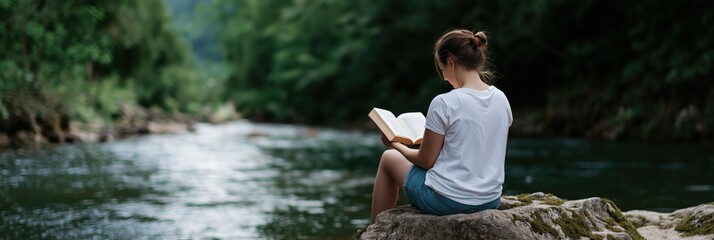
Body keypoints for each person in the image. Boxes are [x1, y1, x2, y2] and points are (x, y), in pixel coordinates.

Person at [370, 29, 512, 223]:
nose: (444, 77)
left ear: (451, 62)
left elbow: (426, 161)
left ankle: (375, 230)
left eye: (442, 68)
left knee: (389, 158)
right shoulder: (501, 98)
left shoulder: (444, 102)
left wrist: (395, 144)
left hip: (447, 201)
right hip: (489, 200)